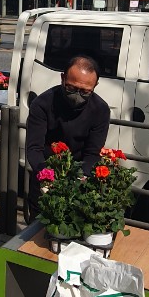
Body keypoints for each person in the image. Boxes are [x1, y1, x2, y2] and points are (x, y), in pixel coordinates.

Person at [26, 55, 111, 210]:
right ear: (63, 78)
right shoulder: (42, 104)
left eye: (85, 92)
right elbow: (34, 148)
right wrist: (47, 176)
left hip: (79, 177)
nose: (77, 96)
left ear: (95, 86)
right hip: (46, 171)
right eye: (71, 88)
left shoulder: (100, 109)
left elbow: (93, 152)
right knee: (37, 227)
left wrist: (80, 177)